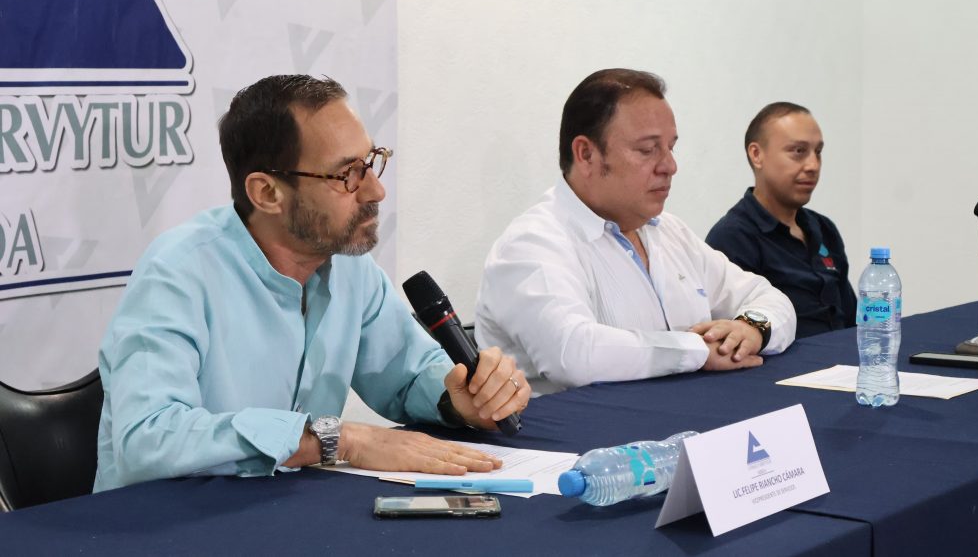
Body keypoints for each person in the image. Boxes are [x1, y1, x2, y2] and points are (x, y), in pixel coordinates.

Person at [94, 75, 530, 492]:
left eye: (371, 162)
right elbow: (147, 439)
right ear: (267, 193)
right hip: (163, 521)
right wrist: (338, 439)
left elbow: (407, 376)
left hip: (282, 509)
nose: (375, 191)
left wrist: (459, 398)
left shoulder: (349, 266)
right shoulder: (178, 272)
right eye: (347, 175)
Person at [474, 69, 795, 395]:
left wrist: (752, 328)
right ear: (586, 154)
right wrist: (697, 350)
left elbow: (770, 298)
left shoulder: (668, 231)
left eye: (670, 148)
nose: (669, 166)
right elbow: (575, 354)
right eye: (647, 150)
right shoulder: (532, 243)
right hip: (584, 427)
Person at [706, 102, 856, 337]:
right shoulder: (733, 237)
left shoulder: (823, 228)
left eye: (818, 152)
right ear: (757, 155)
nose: (813, 165)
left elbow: (852, 321)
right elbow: (737, 338)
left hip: (843, 355)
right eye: (798, 151)